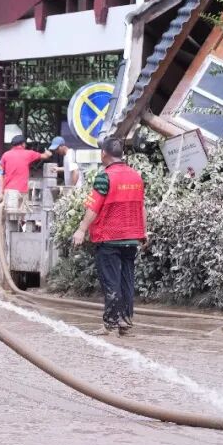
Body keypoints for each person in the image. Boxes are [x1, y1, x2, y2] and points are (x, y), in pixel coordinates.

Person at [70, 137, 146, 337]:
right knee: (127, 280)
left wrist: (81, 229)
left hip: (109, 237)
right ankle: (125, 322)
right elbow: (141, 206)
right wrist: (143, 232)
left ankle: (109, 323)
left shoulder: (105, 177)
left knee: (111, 281)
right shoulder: (136, 177)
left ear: (104, 153)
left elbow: (94, 206)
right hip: (131, 237)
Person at [0, 134, 51, 204]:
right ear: (23, 144)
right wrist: (48, 152)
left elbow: (0, 173)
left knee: (10, 210)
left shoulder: (5, 155)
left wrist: (1, 192)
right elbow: (45, 156)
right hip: (22, 190)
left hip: (9, 190)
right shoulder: (29, 154)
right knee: (21, 210)